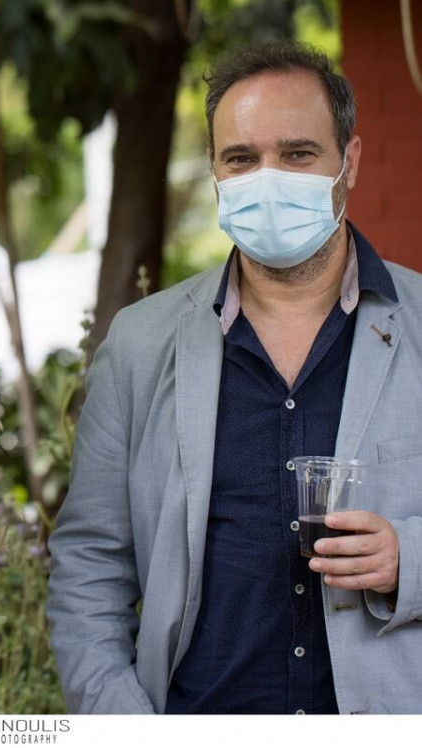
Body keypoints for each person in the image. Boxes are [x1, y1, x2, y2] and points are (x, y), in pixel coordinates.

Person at [47, 41, 422, 715]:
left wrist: (410, 560)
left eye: (298, 154)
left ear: (351, 161)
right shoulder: (139, 345)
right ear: (216, 171)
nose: (267, 179)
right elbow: (89, 567)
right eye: (242, 159)